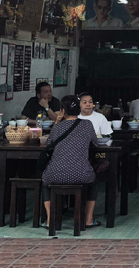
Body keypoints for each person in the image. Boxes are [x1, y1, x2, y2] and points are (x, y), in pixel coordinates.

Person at [41, 95, 100, 229]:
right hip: (82, 174)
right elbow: (95, 143)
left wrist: (57, 122)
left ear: (62, 111)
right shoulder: (87, 124)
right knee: (94, 181)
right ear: (78, 109)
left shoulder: (57, 128)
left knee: (45, 182)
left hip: (55, 175)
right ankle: (89, 219)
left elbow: (49, 144)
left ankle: (50, 220)